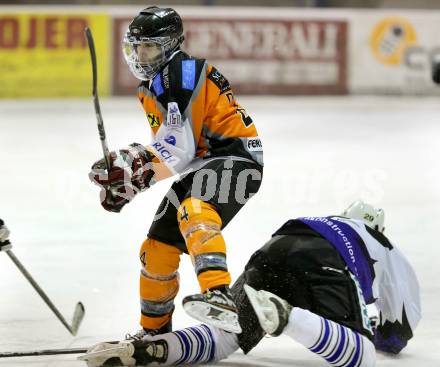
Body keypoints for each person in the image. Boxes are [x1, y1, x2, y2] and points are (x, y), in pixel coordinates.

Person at [89, 6, 263, 336]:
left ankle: (219, 294)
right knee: (156, 248)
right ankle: (155, 332)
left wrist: (131, 164)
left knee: (194, 210)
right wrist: (130, 183)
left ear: (171, 45)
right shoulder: (154, 85)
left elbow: (177, 152)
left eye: (150, 46)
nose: (141, 54)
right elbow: (170, 150)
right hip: (205, 164)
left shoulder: (182, 74)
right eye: (137, 46)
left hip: (237, 160)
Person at [80, 201, 421, 367]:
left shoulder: (326, 220)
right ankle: (285, 316)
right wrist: (377, 332)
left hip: (275, 248)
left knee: (226, 338)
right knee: (362, 356)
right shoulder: (381, 243)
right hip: (324, 260)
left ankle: (152, 352)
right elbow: (399, 331)